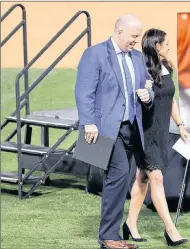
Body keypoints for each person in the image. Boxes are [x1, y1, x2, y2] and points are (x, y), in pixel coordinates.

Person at [75, 14, 153, 249]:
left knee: (117, 178)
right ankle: (110, 237)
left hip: (132, 127)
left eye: (138, 37)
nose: (136, 41)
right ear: (119, 32)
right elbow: (84, 91)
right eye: (133, 36)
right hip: (107, 128)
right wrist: (88, 122)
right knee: (118, 176)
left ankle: (111, 234)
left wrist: (149, 96)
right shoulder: (95, 54)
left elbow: (147, 85)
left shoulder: (137, 58)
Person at [123, 28, 189, 247]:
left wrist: (180, 125)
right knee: (156, 177)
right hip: (144, 132)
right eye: (166, 42)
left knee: (142, 177)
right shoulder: (142, 70)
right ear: (157, 46)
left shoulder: (167, 67)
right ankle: (170, 230)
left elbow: (171, 100)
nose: (169, 46)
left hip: (160, 132)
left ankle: (130, 223)